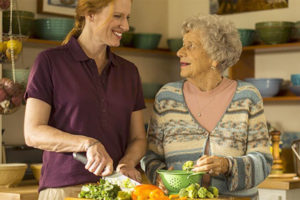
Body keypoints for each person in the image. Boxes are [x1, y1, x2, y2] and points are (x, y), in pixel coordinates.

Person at [24, 0, 147, 199]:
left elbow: (138, 139)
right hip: (64, 189)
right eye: (117, 16)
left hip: (116, 191)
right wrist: (88, 143)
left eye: (127, 18)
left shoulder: (129, 72)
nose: (125, 26)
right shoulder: (50, 62)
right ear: (90, 14)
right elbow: (33, 133)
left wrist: (127, 163)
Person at [141, 14, 272, 199]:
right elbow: (150, 156)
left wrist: (227, 165)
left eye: (190, 46)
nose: (179, 52)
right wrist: (158, 177)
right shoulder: (167, 98)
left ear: (214, 57)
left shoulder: (247, 97)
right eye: (182, 44)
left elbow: (263, 162)